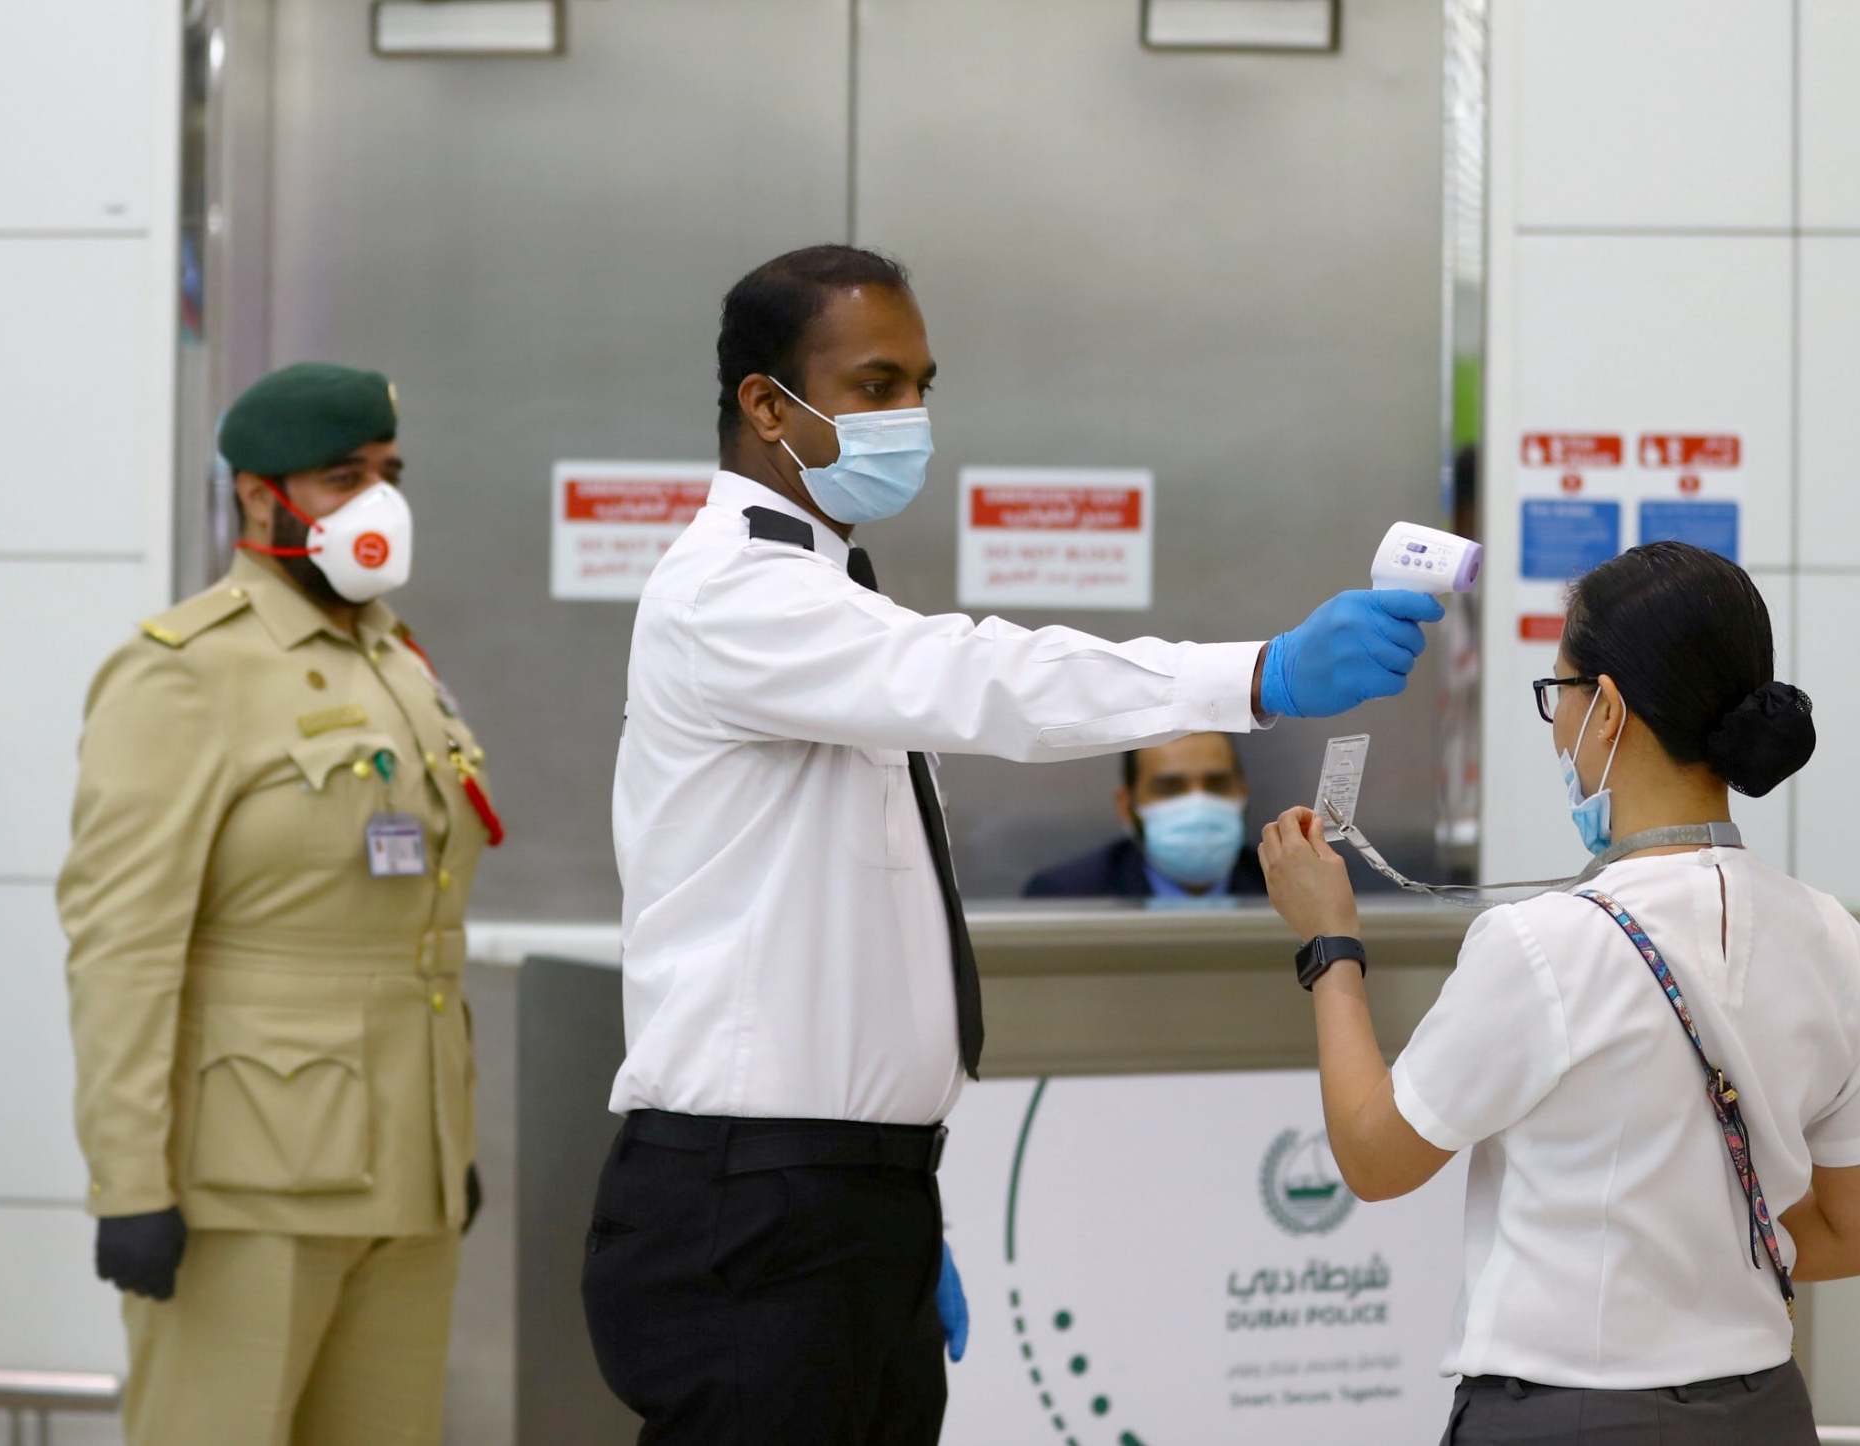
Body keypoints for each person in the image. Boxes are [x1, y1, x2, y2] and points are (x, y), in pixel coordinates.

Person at [579, 244, 1445, 1445]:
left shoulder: (831, 599)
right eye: (876, 385)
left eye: (923, 384)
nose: (911, 417)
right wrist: (1257, 674)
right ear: (767, 405)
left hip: (842, 1199)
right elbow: (984, 677)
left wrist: (894, 1204)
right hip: (755, 1203)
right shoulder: (729, 593)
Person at [1258, 541, 1860, 1445]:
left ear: (1603, 708)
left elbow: (1375, 1161)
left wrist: (1327, 943)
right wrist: (1696, 1248)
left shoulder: (1544, 944)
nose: (1555, 725)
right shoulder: (1833, 936)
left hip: (1569, 1417)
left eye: (1556, 696)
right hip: (1762, 1411)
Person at [57, 363, 503, 1446]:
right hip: (248, 1181)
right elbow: (121, 946)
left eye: (389, 473)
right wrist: (129, 1185)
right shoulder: (186, 670)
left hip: (407, 1171)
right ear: (261, 496)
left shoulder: (396, 660)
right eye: (343, 476)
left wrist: (444, 1141)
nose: (378, 501)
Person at [1022, 732, 1265, 899]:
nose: (1197, 803)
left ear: (1242, 792)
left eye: (1216, 785)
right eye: (1170, 788)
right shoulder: (1065, 899)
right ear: (1126, 806)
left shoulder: (1281, 889)